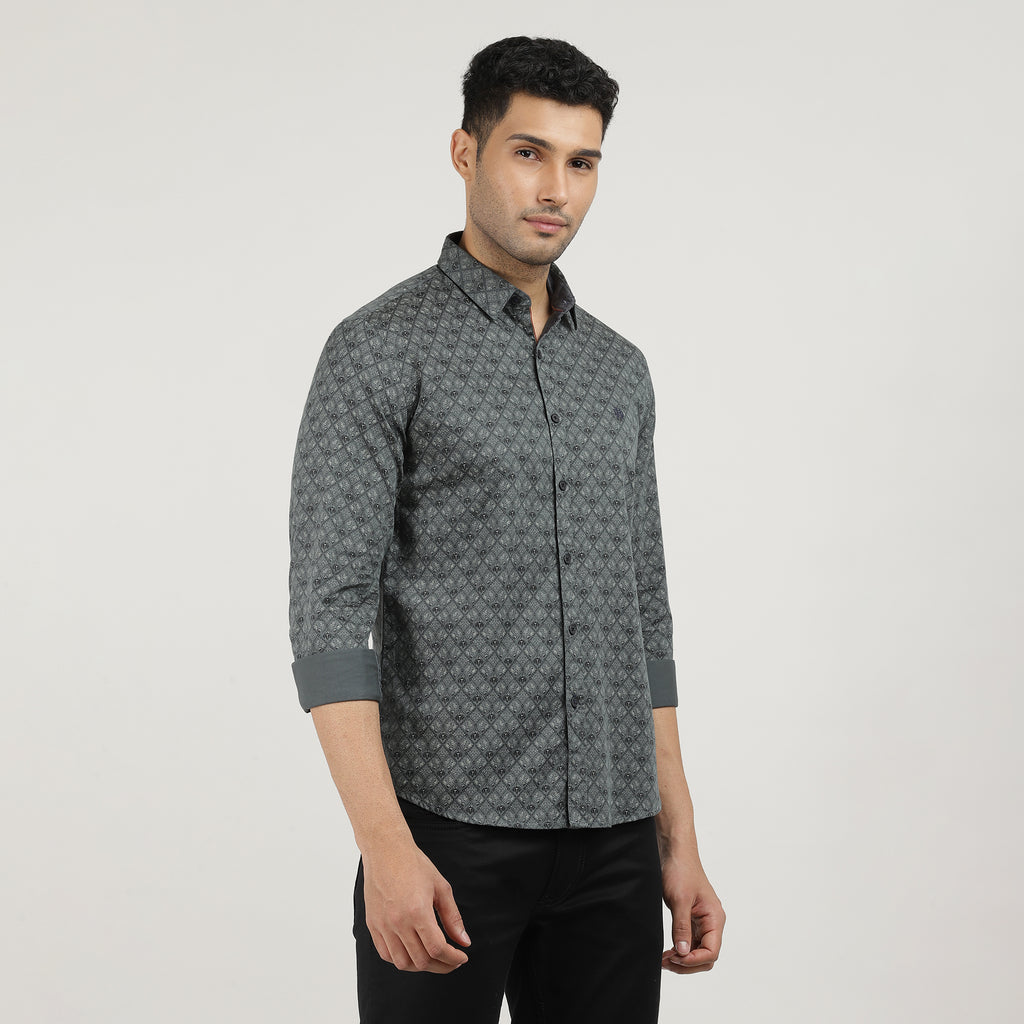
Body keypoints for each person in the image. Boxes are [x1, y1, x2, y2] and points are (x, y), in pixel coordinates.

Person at [288, 35, 725, 1023]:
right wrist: (385, 850)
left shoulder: (619, 371)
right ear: (465, 152)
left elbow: (644, 614)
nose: (556, 189)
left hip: (615, 842)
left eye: (582, 162)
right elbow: (329, 620)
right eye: (529, 153)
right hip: (446, 840)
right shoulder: (378, 351)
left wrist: (678, 836)